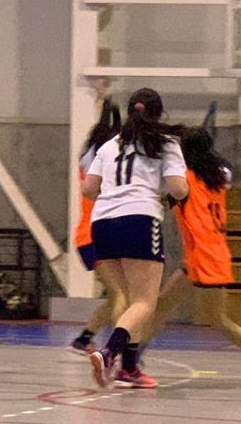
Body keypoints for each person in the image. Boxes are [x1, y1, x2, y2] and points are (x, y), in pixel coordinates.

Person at [144, 127, 241, 386]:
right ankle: (133, 359)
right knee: (162, 305)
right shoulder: (216, 179)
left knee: (218, 319)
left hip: (206, 257)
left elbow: (166, 200)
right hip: (203, 255)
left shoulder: (186, 181)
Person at [84, 88, 189, 389]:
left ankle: (129, 369)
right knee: (145, 301)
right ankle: (109, 353)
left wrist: (115, 197)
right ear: (158, 113)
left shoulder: (109, 145)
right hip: (139, 219)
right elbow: (179, 189)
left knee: (131, 301)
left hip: (102, 223)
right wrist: (165, 196)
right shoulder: (164, 143)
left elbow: (88, 189)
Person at [69, 93, 127, 355]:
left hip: (94, 236)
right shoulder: (103, 161)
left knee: (117, 294)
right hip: (94, 237)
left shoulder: (88, 157)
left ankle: (84, 339)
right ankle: (117, 351)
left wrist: (108, 111)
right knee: (122, 295)